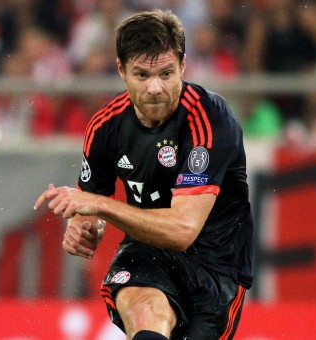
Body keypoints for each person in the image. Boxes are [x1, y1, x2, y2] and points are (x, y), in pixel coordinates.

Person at [33, 9, 253, 340]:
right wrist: (82, 229)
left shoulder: (209, 120)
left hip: (215, 265)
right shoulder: (105, 127)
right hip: (145, 254)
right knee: (146, 311)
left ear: (182, 65)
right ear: (121, 70)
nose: (154, 88)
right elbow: (89, 208)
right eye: (141, 75)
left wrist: (100, 207)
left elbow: (182, 231)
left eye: (166, 74)